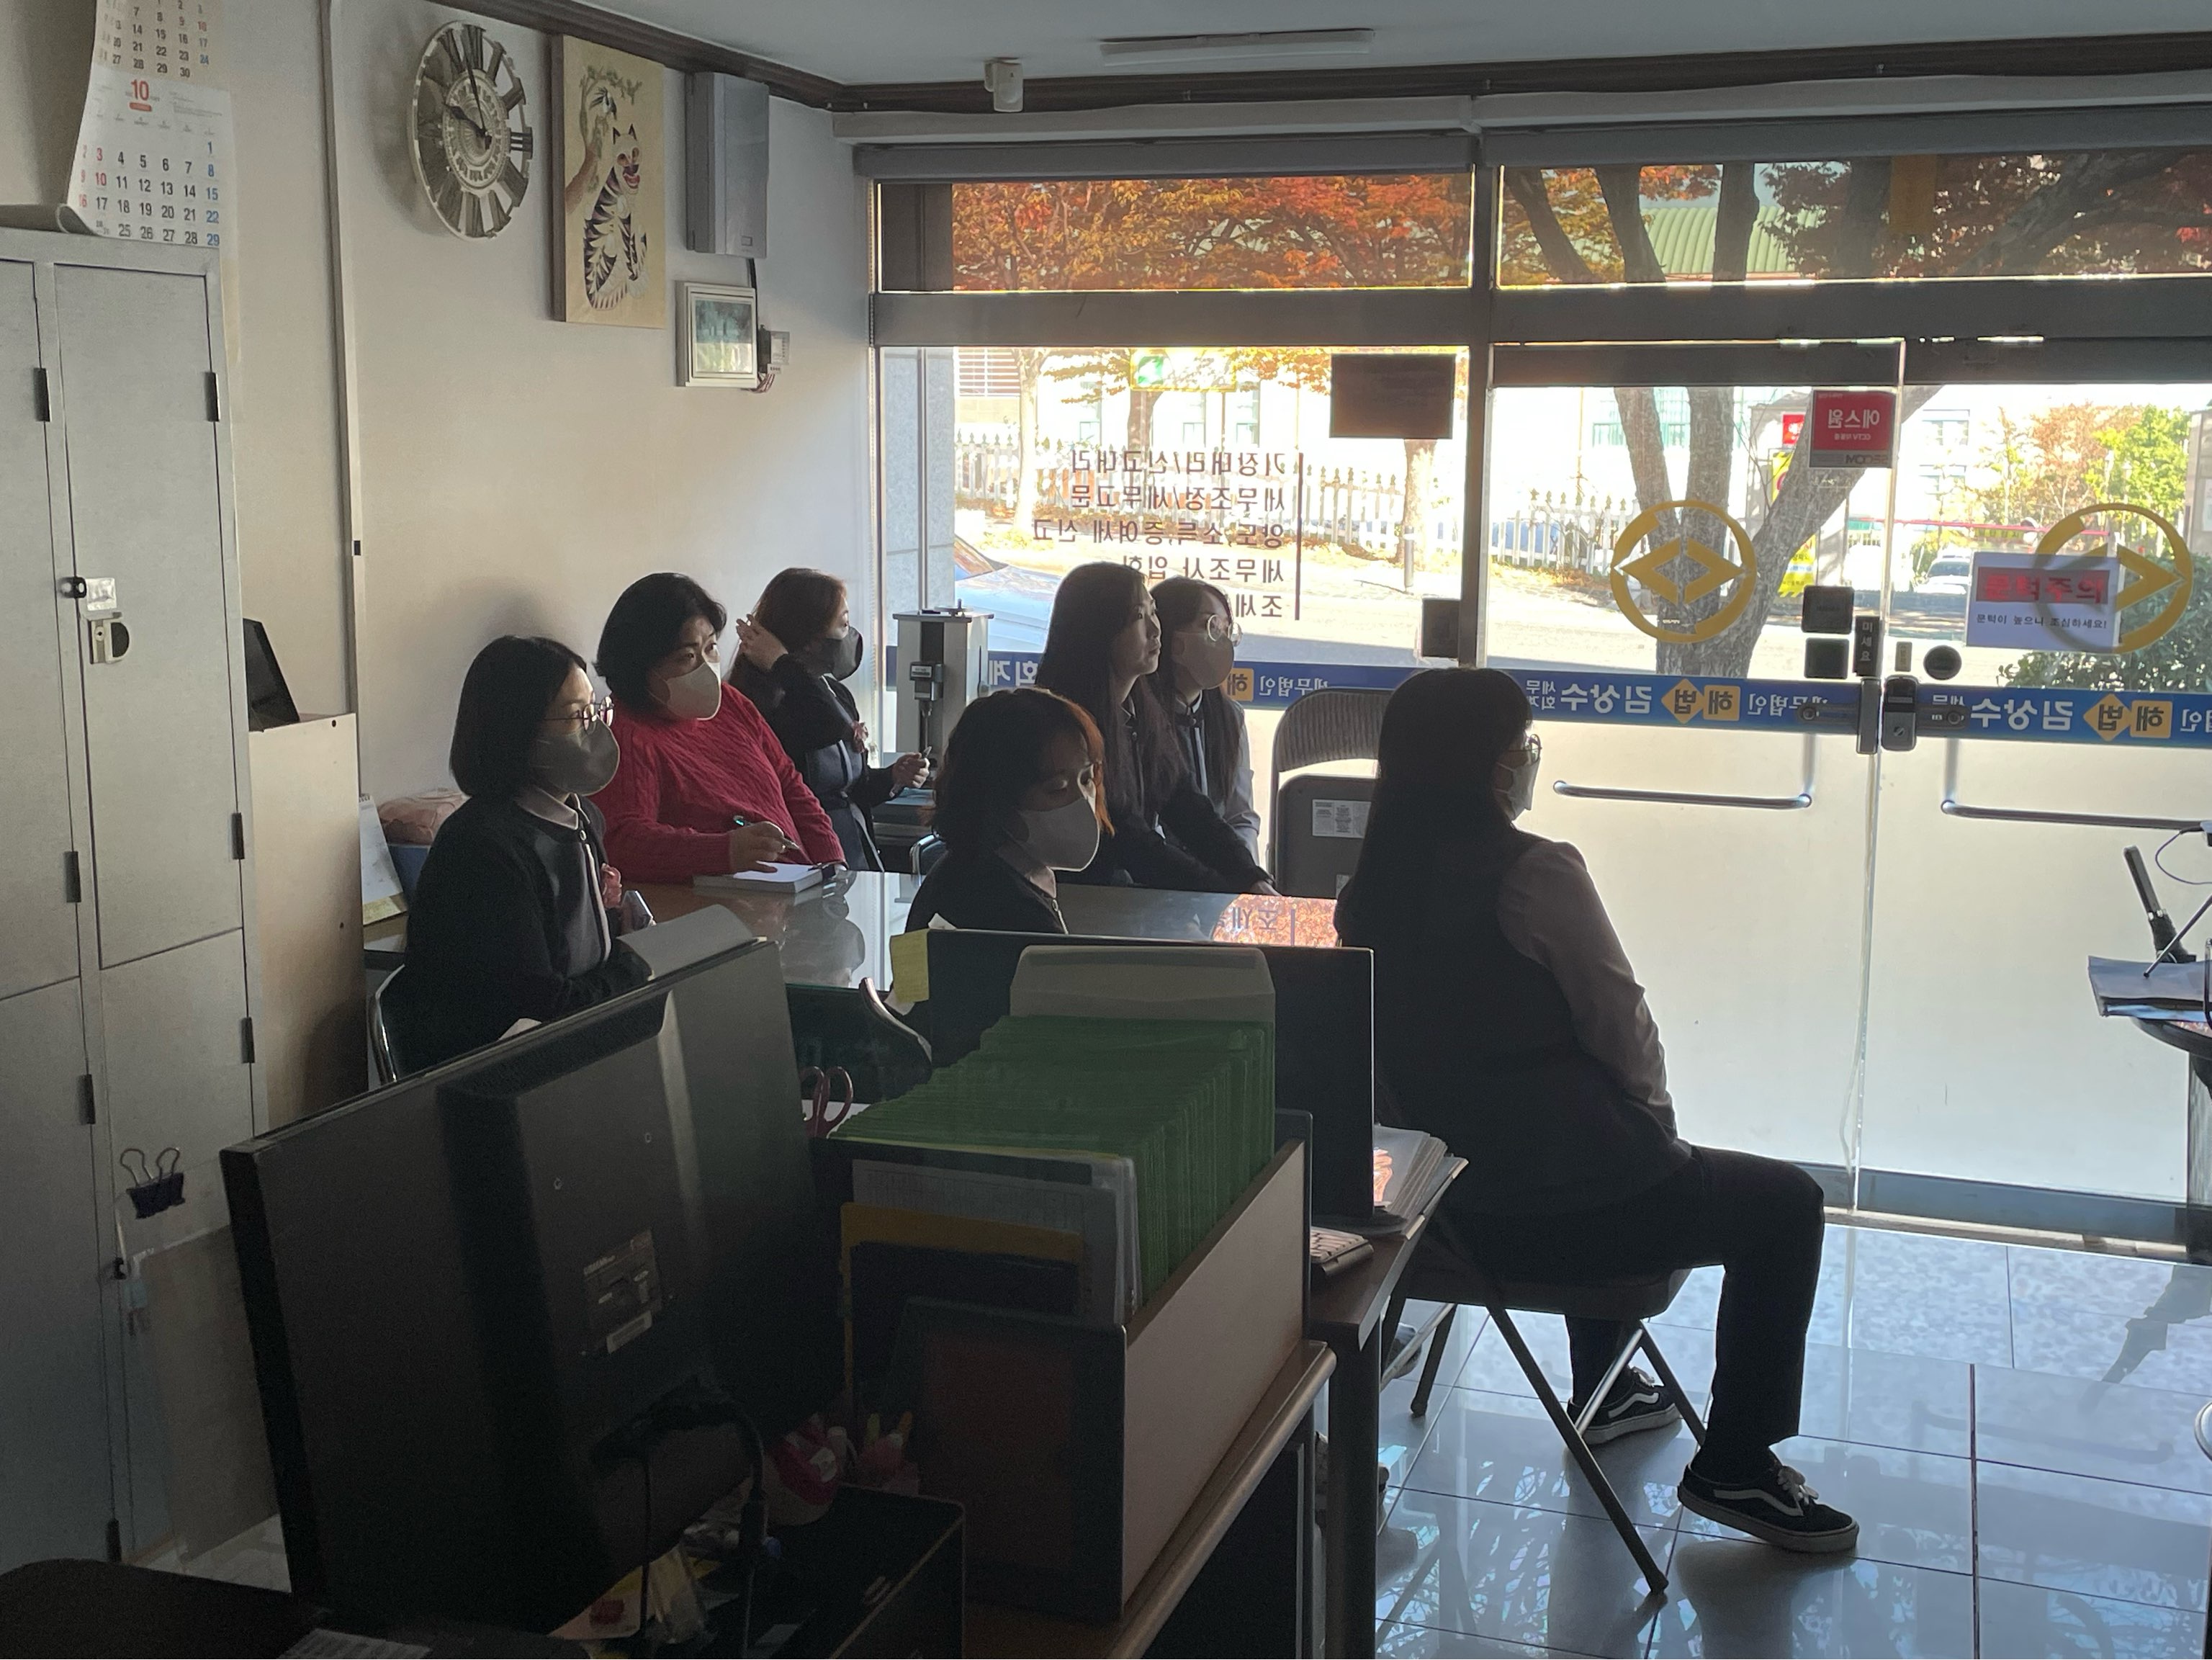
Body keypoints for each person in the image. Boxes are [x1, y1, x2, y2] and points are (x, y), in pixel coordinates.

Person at [1333, 668, 1855, 1555]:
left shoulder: (1366, 895)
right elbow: (1620, 1024)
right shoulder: (1536, 873)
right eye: (1521, 745)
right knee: (1779, 1202)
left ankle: (1607, 1392)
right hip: (1574, 1219)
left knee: (1580, 1135)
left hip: (1449, 1220)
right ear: (1490, 764)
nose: (1528, 759)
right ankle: (1736, 1464)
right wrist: (1658, 1131)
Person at [387, 635, 651, 1070]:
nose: (594, 728)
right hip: (497, 1069)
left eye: (594, 710)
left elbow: (581, 956)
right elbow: (540, 1008)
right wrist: (634, 968)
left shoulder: (582, 817)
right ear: (516, 729)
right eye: (576, 716)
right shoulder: (481, 849)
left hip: (583, 1047)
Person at [1032, 562, 1272, 894]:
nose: (1156, 630)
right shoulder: (1063, 727)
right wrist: (1222, 891)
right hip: (1077, 900)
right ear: (1099, 631)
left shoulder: (1143, 711)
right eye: (1138, 617)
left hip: (1120, 899)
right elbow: (1129, 840)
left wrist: (1250, 876)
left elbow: (1186, 805)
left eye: (1153, 612)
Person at [593, 572, 844, 884]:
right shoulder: (624, 735)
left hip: (802, 884)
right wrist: (723, 851)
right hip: (731, 904)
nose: (706, 667)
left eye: (711, 648)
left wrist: (832, 863)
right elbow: (623, 842)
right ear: (641, 666)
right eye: (687, 656)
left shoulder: (730, 703)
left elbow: (789, 784)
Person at [729, 567, 927, 871]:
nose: (851, 635)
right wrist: (783, 663)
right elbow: (827, 727)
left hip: (854, 848)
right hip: (800, 856)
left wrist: (893, 777)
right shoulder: (762, 703)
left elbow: (851, 790)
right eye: (844, 624)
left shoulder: (833, 692)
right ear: (811, 639)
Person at [904, 688, 1105, 934]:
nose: (1082, 800)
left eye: (1086, 779)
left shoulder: (974, 870)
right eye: (1057, 789)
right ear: (999, 799)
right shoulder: (1008, 911)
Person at [1146, 577, 1261, 859]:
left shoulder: (1230, 717)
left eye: (1227, 629)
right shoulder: (1138, 717)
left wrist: (1246, 872)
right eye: (1211, 626)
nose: (1222, 640)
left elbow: (1241, 816)